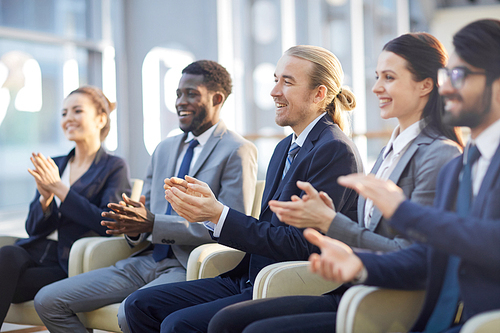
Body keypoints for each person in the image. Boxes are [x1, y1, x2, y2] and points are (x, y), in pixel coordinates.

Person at [207, 32, 464, 333]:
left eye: (389, 77)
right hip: (356, 287)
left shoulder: (439, 154)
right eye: (378, 76)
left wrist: (331, 224)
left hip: (385, 299)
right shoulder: (390, 151)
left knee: (243, 327)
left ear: (425, 85)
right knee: (229, 321)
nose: (376, 87)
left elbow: (414, 255)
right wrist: (329, 226)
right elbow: (367, 233)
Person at [124, 45, 363, 333]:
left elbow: (302, 245)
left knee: (178, 324)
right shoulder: (284, 147)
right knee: (139, 305)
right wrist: (211, 213)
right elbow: (269, 227)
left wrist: (218, 214)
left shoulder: (334, 150)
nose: (274, 91)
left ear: (319, 94)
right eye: (276, 79)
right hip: (248, 275)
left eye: (287, 82)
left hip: (286, 280)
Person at [303, 18, 500, 333]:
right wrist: (360, 263)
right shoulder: (457, 169)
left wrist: (404, 212)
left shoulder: (444, 156)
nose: (446, 85)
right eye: (448, 75)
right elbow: (429, 256)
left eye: (459, 75)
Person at [34, 60, 258, 333]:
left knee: (129, 313)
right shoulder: (164, 148)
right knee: (48, 300)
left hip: (188, 264)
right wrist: (132, 226)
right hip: (146, 258)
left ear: (217, 98)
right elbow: (149, 213)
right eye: (177, 94)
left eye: (191, 93)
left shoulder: (237, 150)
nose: (180, 102)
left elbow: (232, 226)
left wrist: (153, 223)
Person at [0, 86, 130, 327]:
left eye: (77, 111)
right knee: (7, 253)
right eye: (63, 113)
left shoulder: (114, 167)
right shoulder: (56, 164)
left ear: (100, 119)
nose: (68, 118)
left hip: (70, 261)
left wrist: (59, 189)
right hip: (34, 252)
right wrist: (45, 199)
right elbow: (32, 228)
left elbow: (109, 223)